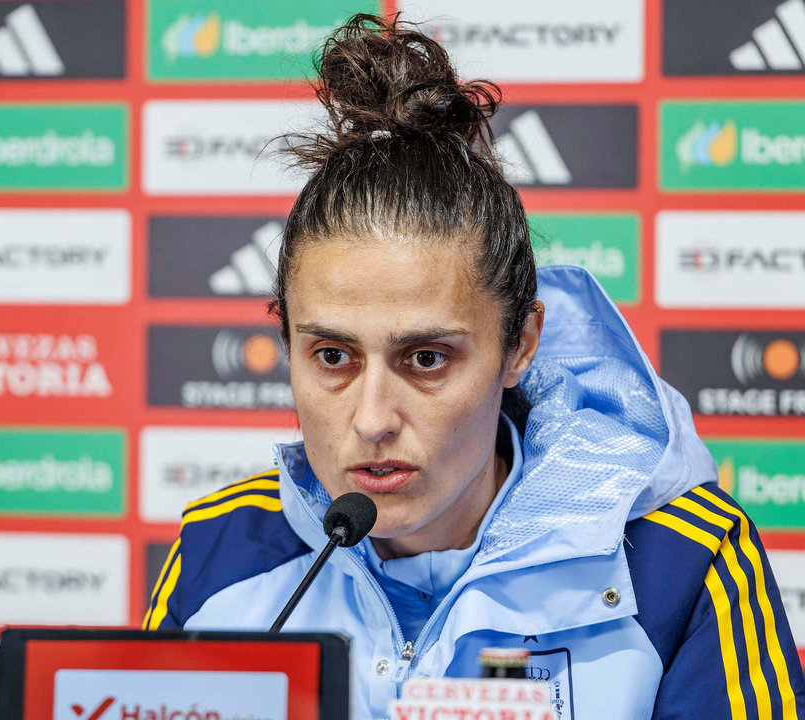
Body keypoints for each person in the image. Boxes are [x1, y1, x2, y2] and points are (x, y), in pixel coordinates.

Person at [144, 14, 805, 719]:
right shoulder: (219, 549)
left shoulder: (679, 556)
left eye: (426, 358)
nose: (370, 420)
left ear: (519, 346)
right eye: (332, 356)